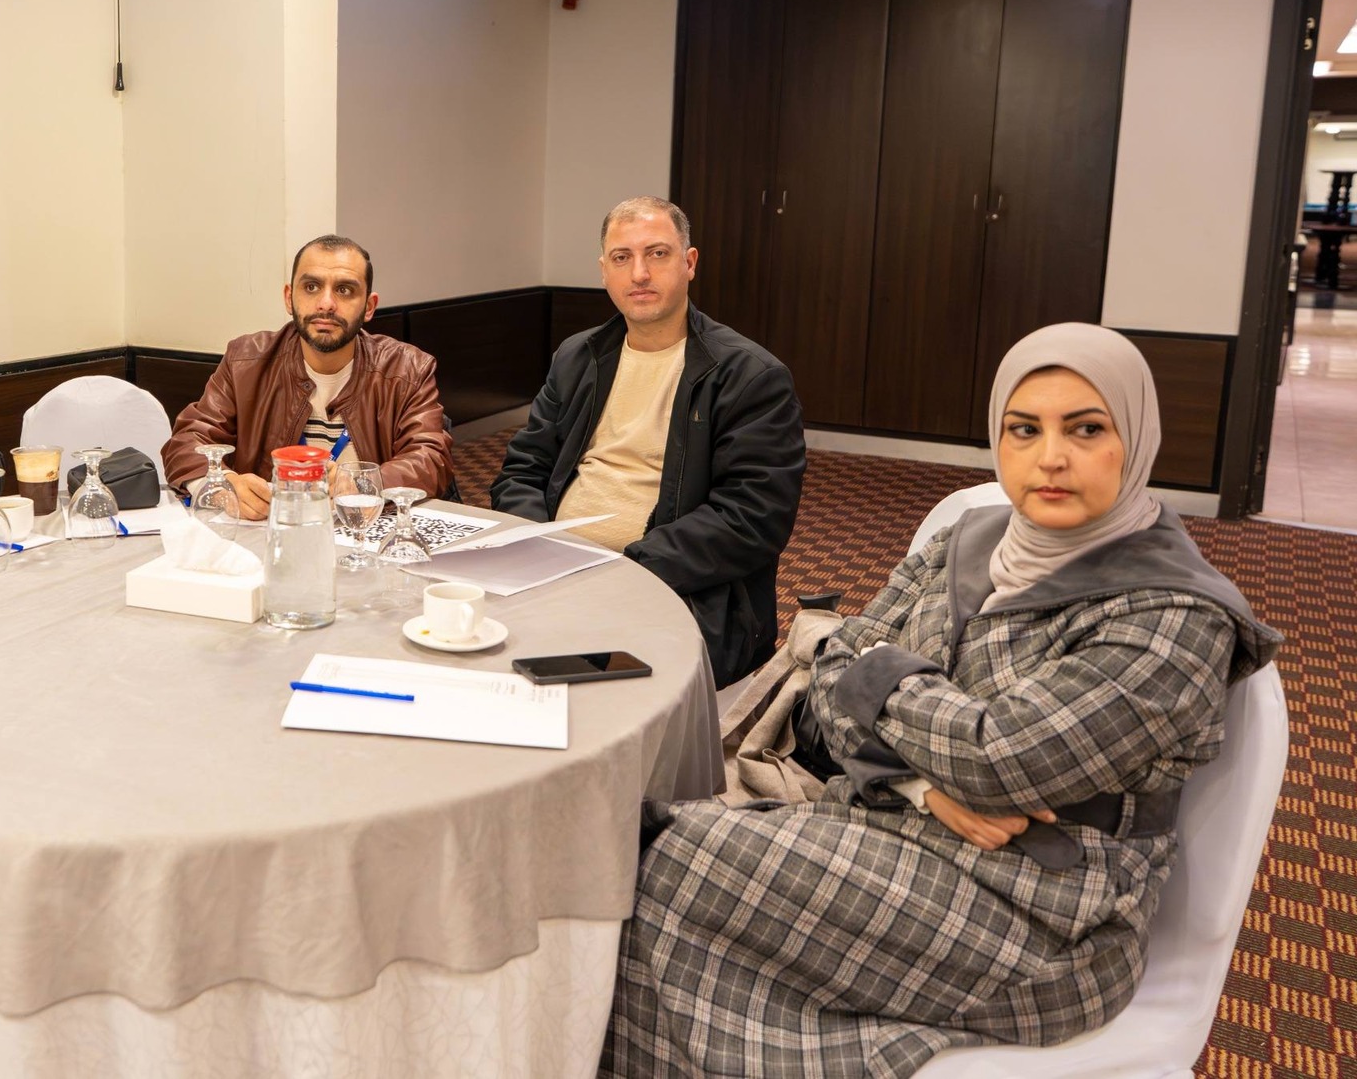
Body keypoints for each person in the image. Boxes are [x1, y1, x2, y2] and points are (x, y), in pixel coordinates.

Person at [601, 323, 1281, 1078]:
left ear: (1137, 439)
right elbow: (827, 688)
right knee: (639, 867)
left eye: (1087, 429)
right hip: (895, 824)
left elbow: (1002, 757)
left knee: (661, 857)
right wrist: (919, 785)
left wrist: (879, 675)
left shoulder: (1175, 613)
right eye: (1024, 429)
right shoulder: (967, 538)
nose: (1051, 457)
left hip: (1049, 917)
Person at [490, 196, 804, 686]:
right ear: (604, 271)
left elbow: (751, 517)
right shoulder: (578, 357)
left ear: (689, 263)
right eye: (622, 258)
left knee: (582, 692)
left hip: (677, 590)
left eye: (657, 253)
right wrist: (540, 550)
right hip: (553, 575)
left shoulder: (750, 376)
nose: (639, 273)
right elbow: (522, 470)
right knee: (460, 647)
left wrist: (626, 571)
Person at [161, 235, 453, 520]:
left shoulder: (407, 368)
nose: (326, 304)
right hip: (271, 536)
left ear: (369, 307)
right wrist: (221, 487)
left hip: (366, 532)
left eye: (344, 290)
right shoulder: (245, 361)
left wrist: (362, 484)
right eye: (311, 287)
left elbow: (431, 458)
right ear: (289, 298)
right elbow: (187, 442)